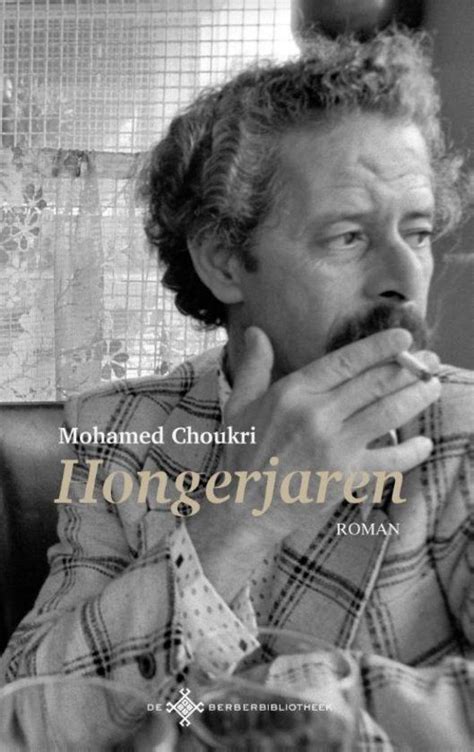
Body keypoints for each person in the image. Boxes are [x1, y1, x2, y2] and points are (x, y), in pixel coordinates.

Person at [1, 29, 472, 751]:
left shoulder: (459, 430)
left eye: (416, 232)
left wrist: (253, 707)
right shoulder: (122, 432)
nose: (406, 278)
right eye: (348, 236)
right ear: (224, 261)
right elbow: (26, 724)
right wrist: (241, 519)